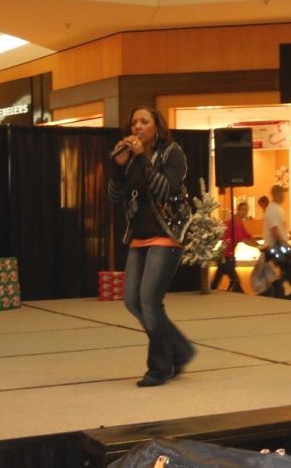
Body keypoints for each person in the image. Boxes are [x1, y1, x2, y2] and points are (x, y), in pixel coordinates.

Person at [108, 106, 195, 387]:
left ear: (157, 126)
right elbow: (115, 196)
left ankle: (160, 367)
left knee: (149, 301)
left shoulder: (172, 153)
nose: (137, 127)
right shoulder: (131, 158)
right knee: (132, 301)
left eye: (144, 122)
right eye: (134, 122)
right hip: (139, 235)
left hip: (166, 234)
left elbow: (165, 190)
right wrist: (118, 168)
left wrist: (142, 158)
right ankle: (179, 350)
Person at [211, 201, 260, 292]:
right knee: (235, 281)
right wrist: (259, 247)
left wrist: (260, 245)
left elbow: (248, 236)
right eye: (243, 209)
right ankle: (241, 296)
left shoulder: (239, 223)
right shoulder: (234, 223)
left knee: (218, 282)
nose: (245, 212)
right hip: (226, 255)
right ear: (238, 210)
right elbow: (243, 239)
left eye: (247, 210)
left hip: (226, 255)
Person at [261, 184, 289, 297]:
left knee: (278, 274)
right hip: (275, 247)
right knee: (277, 273)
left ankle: (278, 293)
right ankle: (277, 294)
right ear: (278, 194)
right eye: (283, 193)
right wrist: (282, 243)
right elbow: (274, 229)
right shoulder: (272, 209)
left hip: (277, 246)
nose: (284, 196)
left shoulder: (278, 209)